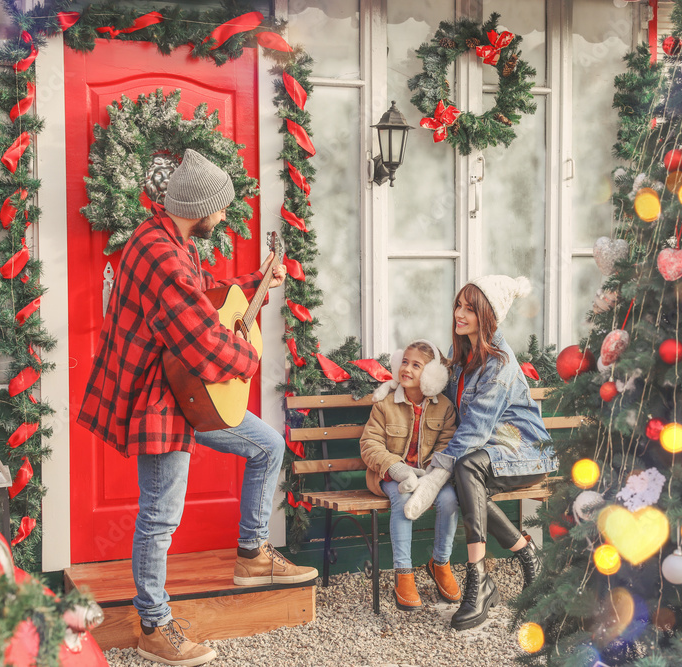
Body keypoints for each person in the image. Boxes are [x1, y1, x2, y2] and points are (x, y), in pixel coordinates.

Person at [77, 149, 317, 666]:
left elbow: (201, 296)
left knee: (267, 445)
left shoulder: (168, 240)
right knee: (160, 517)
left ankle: (252, 556)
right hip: (157, 399)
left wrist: (253, 284)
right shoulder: (162, 255)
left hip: (182, 396)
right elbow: (205, 345)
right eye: (222, 208)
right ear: (201, 204)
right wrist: (249, 359)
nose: (225, 218)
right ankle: (153, 626)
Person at [402, 275, 556, 631]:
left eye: (470, 309)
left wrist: (437, 469)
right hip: (485, 455)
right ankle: (523, 550)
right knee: (465, 477)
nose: (460, 314)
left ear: (488, 315)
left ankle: (478, 579)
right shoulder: (462, 360)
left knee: (464, 466)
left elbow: (474, 431)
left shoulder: (499, 364)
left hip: (524, 451)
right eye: (459, 305)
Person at [359, 339, 460, 611]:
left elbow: (447, 446)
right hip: (390, 476)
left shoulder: (445, 408)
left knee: (450, 500)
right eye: (404, 362)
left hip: (429, 477)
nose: (407, 369)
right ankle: (403, 573)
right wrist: (398, 469)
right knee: (403, 502)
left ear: (431, 376)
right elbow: (370, 444)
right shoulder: (384, 404)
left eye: (417, 365)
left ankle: (441, 564)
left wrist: (430, 475)